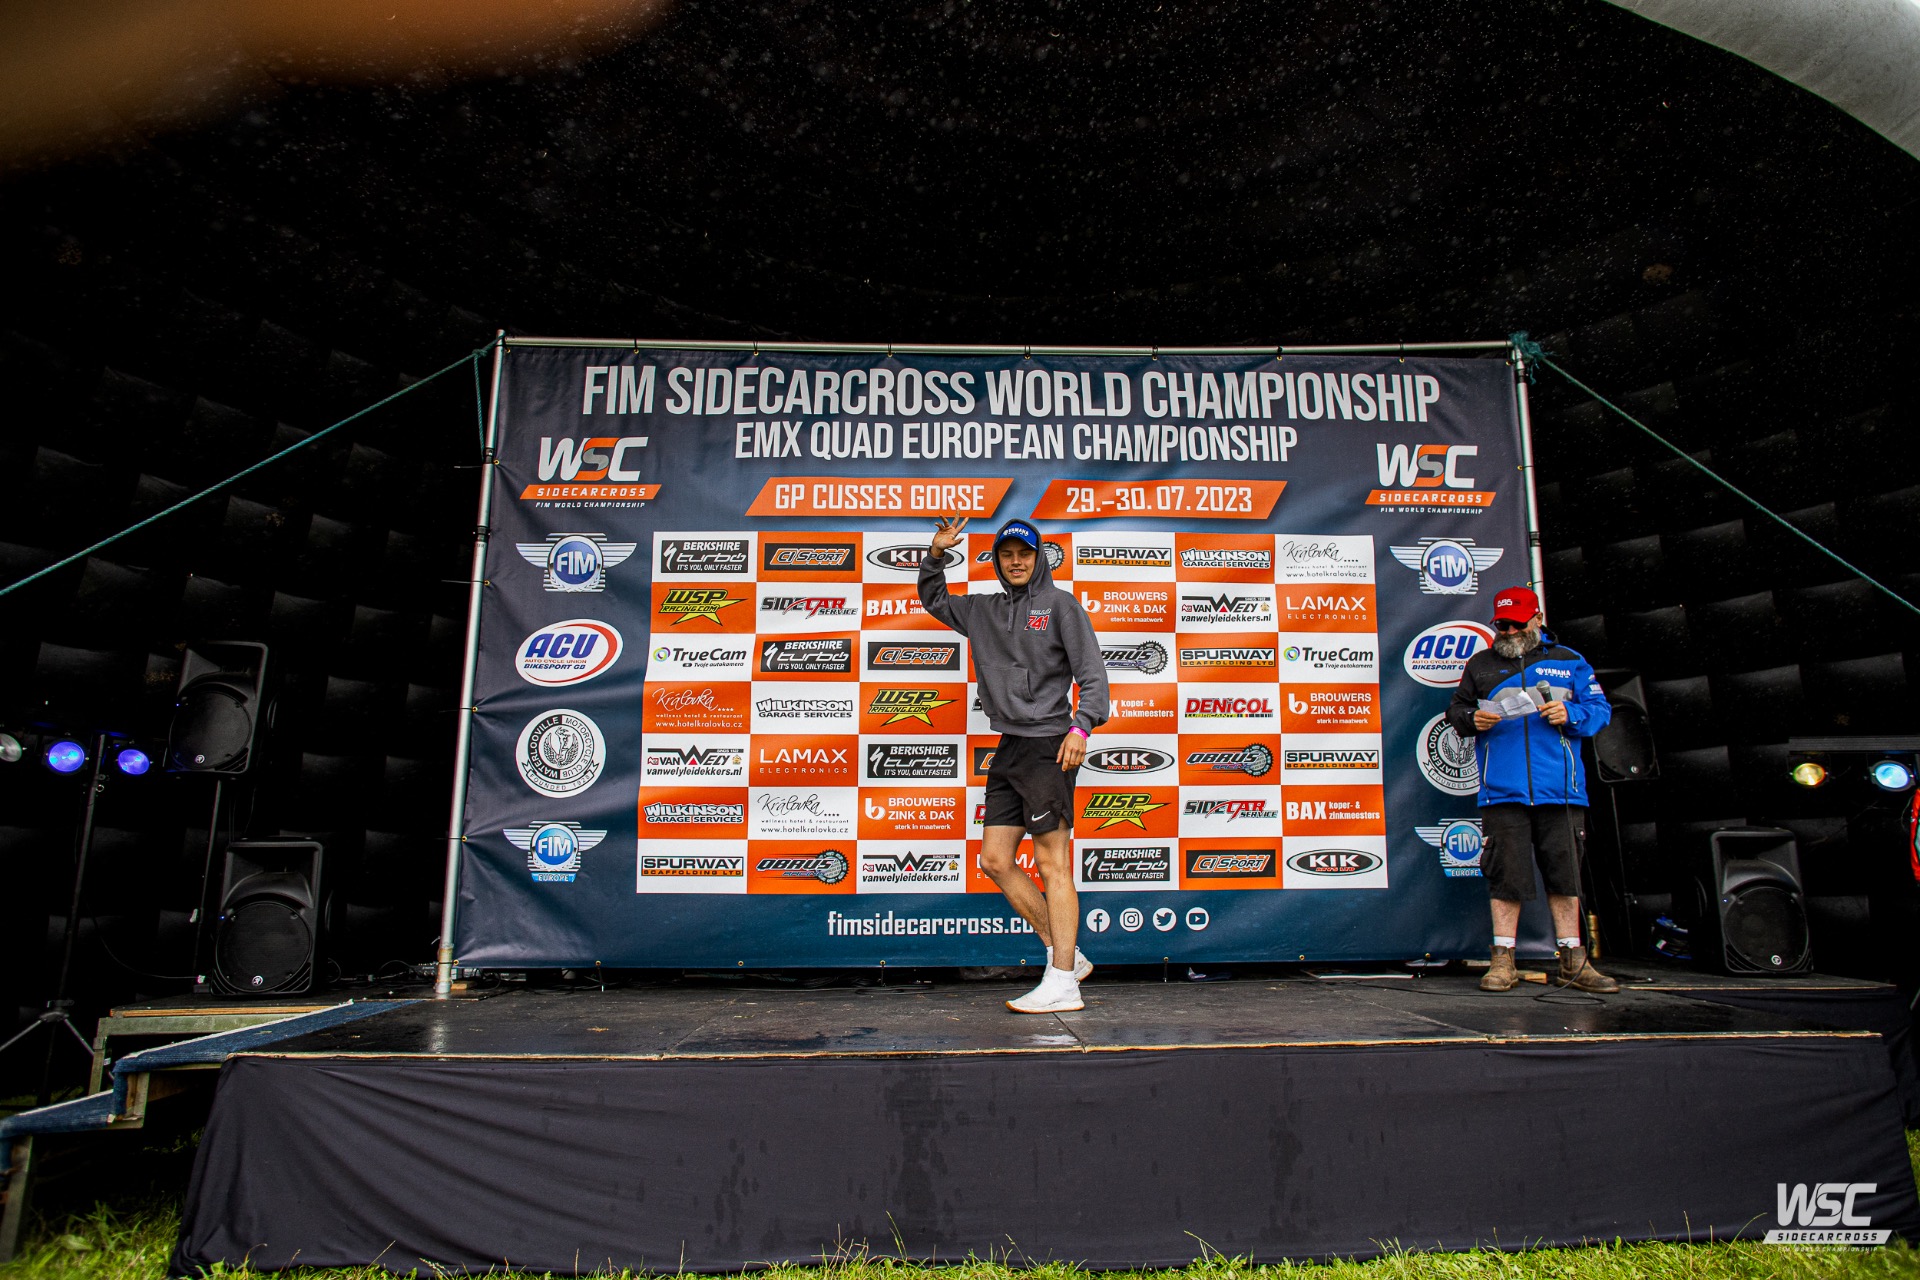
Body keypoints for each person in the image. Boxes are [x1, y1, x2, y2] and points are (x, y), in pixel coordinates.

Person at [920, 515, 1109, 1013]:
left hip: (1049, 745)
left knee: (1052, 863)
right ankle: (1067, 956)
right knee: (996, 861)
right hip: (1009, 745)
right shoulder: (982, 609)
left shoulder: (1061, 605)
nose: (1016, 562)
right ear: (997, 561)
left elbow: (1093, 676)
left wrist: (1081, 727)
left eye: (1024, 554)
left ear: (1038, 558)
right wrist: (937, 554)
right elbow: (934, 600)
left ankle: (1063, 983)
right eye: (1007, 555)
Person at [1446, 585, 1618, 994]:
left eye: (1515, 624)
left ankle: (1573, 960)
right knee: (1505, 876)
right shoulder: (1481, 664)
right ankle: (1502, 960)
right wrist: (1472, 719)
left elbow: (1601, 711)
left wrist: (1570, 712)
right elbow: (1456, 710)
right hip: (1502, 790)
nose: (1507, 631)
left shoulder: (1570, 660)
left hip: (1560, 789)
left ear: (1537, 619)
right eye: (1501, 625)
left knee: (1566, 877)